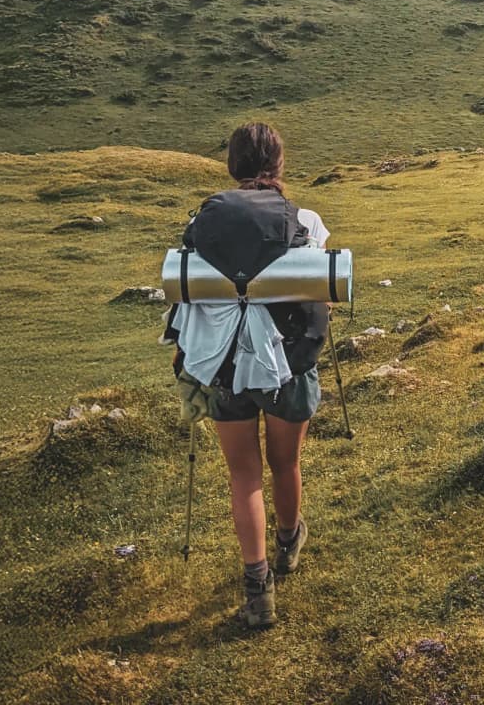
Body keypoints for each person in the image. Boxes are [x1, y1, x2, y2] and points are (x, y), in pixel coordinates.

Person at [166, 122, 328, 628]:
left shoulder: (204, 222)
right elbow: (320, 289)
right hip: (286, 364)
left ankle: (258, 590)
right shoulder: (305, 219)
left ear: (232, 166)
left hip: (223, 366)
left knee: (243, 475)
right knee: (285, 463)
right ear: (279, 165)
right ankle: (288, 542)